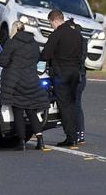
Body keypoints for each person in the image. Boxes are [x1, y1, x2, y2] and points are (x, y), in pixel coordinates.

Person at [0, 21, 49, 150]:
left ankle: (22, 142)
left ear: (14, 29)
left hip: (15, 81)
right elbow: (36, 60)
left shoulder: (11, 42)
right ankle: (40, 140)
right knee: (31, 111)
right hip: (31, 80)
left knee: (18, 112)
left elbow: (2, 62)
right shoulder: (34, 43)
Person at [41, 9, 83, 147]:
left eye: (50, 23)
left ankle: (70, 137)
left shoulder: (57, 34)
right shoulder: (77, 34)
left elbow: (45, 54)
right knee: (72, 104)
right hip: (76, 73)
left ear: (55, 20)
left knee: (64, 106)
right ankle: (76, 134)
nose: (51, 26)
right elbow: (82, 53)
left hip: (62, 74)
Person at [70, 19, 88, 144]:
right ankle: (79, 133)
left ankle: (78, 133)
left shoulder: (76, 43)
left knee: (75, 105)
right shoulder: (83, 42)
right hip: (81, 76)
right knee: (77, 104)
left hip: (76, 76)